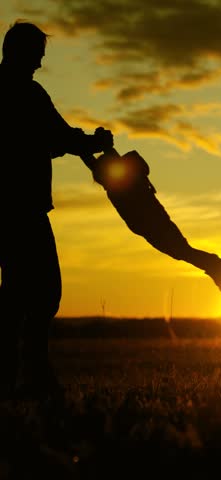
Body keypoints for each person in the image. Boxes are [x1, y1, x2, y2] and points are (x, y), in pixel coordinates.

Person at [0, 21, 113, 401]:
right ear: (20, 52)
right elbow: (57, 137)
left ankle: (21, 382)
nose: (39, 65)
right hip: (22, 210)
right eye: (36, 56)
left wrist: (85, 145)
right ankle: (34, 380)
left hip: (13, 209)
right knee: (45, 292)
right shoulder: (26, 93)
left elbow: (54, 139)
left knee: (16, 295)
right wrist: (94, 142)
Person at [82, 147, 221, 293]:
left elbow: (106, 161)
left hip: (157, 225)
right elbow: (93, 163)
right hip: (149, 229)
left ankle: (218, 266)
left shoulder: (126, 179)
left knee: (181, 251)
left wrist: (102, 147)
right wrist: (84, 147)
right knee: (181, 252)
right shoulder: (113, 182)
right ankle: (217, 267)